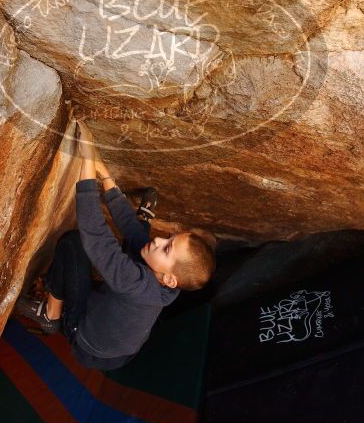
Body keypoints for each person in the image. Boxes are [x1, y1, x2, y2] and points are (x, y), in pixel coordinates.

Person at [13, 120, 216, 371]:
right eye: (169, 238)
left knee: (73, 243)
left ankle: (51, 316)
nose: (160, 240)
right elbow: (131, 231)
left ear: (169, 279)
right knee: (137, 240)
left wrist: (87, 161)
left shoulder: (138, 284)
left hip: (88, 342)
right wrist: (104, 173)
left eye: (167, 248)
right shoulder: (164, 279)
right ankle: (144, 219)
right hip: (117, 337)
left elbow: (96, 236)